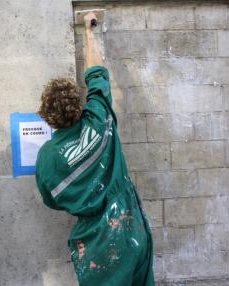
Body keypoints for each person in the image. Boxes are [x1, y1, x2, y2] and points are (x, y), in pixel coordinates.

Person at [35, 12, 155, 286]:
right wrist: (89, 31)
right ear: (79, 106)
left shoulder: (47, 157)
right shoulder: (100, 118)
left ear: (46, 115)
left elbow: (51, 199)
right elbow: (97, 75)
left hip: (96, 244)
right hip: (131, 227)